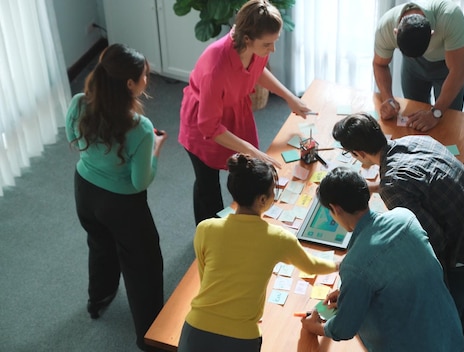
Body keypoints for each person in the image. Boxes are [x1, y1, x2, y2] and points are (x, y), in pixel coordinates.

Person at [332, 113, 464, 346]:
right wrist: (373, 187)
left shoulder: (393, 185)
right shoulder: (415, 141)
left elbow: (431, 242)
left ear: (359, 154)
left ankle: (457, 338)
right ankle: (463, 332)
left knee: (450, 306)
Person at [178, 153, 338, 352]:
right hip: (240, 337)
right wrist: (338, 264)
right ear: (262, 199)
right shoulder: (278, 237)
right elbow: (311, 266)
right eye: (274, 192)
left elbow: (206, 280)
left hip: (196, 328)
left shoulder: (205, 228)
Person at [66, 43, 166, 351]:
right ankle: (149, 337)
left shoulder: (80, 102)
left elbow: (72, 138)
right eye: (144, 76)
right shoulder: (141, 129)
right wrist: (155, 150)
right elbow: (139, 182)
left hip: (84, 191)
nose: (147, 80)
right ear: (129, 84)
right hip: (122, 205)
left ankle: (99, 299)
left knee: (99, 246)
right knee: (144, 267)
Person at [299, 167, 464, 352]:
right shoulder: (405, 217)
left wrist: (314, 327)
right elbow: (397, 271)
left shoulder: (354, 267)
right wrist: (352, 293)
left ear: (336, 209)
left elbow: (344, 329)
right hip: (448, 333)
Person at [179, 0, 311, 225]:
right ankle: (208, 233)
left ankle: (243, 225)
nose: (272, 49)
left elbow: (257, 72)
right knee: (207, 186)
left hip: (235, 114)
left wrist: (290, 97)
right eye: (268, 44)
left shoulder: (256, 47)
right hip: (204, 123)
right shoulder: (216, 67)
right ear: (248, 39)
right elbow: (209, 127)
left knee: (244, 177)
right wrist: (251, 150)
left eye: (274, 42)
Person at [373, 1, 464, 132]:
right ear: (395, 32)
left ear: (432, 34)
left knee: (448, 120)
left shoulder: (450, 17)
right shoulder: (385, 27)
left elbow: (458, 71)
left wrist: (436, 113)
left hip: (449, 66)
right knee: (414, 119)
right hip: (412, 68)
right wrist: (388, 99)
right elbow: (379, 64)